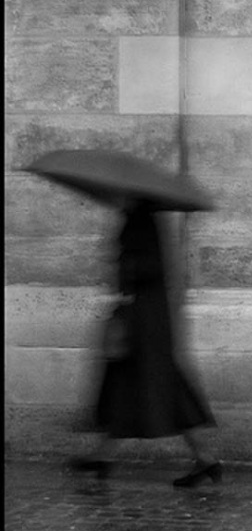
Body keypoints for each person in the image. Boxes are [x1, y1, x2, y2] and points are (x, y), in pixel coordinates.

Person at [68, 196, 221, 488]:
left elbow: (149, 267)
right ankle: (103, 456)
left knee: (155, 387)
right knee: (128, 386)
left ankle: (205, 458)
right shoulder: (139, 219)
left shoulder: (141, 222)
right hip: (143, 318)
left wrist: (124, 267)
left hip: (145, 321)